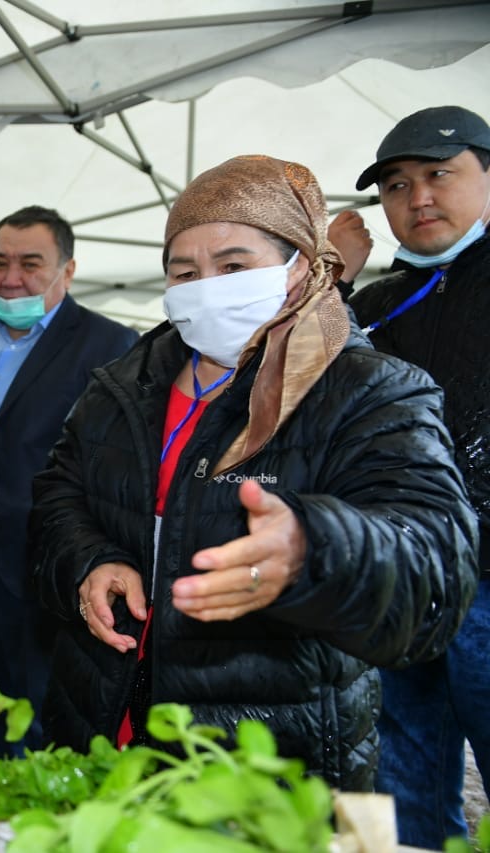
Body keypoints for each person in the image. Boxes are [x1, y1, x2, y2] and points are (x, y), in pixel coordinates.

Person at [30, 154, 478, 791]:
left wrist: (313, 550)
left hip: (265, 759)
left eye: (234, 266)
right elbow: (60, 492)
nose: (206, 287)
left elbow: (433, 562)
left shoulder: (369, 390)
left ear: (299, 265)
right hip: (100, 722)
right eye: (185, 272)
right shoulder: (124, 384)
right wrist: (88, 561)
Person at [0, 206, 137, 761]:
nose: (11, 278)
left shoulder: (109, 347)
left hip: (42, 580)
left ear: (67, 270)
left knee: (37, 735)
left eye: (30, 264)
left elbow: (112, 470)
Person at [348, 105, 490, 846]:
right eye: (397, 186)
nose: (419, 198)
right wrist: (329, 275)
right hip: (394, 578)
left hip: (488, 581)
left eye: (440, 174)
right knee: (399, 783)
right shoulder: (370, 305)